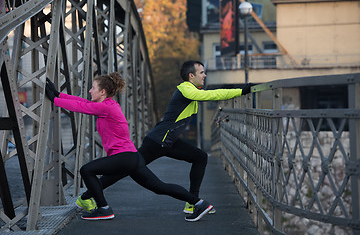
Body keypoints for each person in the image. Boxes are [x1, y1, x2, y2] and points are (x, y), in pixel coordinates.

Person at [74, 60, 252, 215]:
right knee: (127, 170)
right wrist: (240, 91)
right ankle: (86, 197)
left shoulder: (190, 89)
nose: (205, 76)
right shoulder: (185, 88)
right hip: (157, 142)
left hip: (168, 141)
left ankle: (193, 203)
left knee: (200, 157)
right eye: (202, 72)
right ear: (191, 75)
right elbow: (210, 95)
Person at [44, 72, 213, 222]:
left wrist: (56, 100)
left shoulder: (106, 107)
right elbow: (82, 102)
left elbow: (82, 107)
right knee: (160, 187)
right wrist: (59, 95)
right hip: (132, 158)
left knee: (87, 170)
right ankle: (199, 203)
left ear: (103, 92)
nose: (90, 91)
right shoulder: (107, 105)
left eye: (93, 88)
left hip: (124, 157)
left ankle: (103, 208)